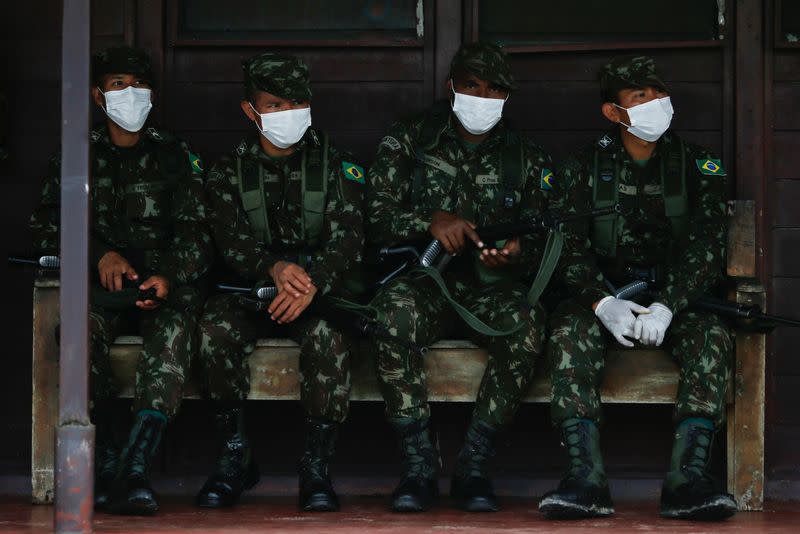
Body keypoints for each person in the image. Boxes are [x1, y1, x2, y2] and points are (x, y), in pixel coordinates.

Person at [540, 55, 736, 521]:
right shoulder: (583, 166)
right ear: (614, 111)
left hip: (676, 299)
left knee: (712, 336)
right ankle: (584, 478)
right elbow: (565, 247)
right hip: (602, 298)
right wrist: (601, 301)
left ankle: (687, 479)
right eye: (639, 96)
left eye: (659, 92)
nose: (655, 103)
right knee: (568, 335)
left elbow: (708, 245)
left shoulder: (695, 165)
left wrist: (669, 304)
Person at [366, 42, 555, 513]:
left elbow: (547, 237)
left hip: (488, 293)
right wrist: (430, 221)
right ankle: (418, 466)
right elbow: (373, 215)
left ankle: (475, 464)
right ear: (451, 85)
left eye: (494, 89)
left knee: (527, 324)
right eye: (472, 85)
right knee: (392, 314)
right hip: (425, 285)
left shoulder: (525, 156)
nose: (482, 96)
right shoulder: (410, 137)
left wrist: (514, 254)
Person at [29, 46, 211, 515]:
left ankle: (135, 470)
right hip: (100, 293)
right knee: (76, 335)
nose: (128, 94)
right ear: (97, 95)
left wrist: (167, 276)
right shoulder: (77, 157)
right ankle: (106, 464)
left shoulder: (176, 155)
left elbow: (199, 234)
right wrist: (97, 255)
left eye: (137, 85)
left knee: (173, 338)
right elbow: (47, 226)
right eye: (116, 85)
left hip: (160, 291)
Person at [196, 52, 366, 512]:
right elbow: (228, 240)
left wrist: (311, 283)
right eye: (273, 104)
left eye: (295, 102)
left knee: (331, 339)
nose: (286, 113)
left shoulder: (337, 164)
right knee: (213, 330)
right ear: (250, 111)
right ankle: (234, 457)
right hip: (252, 291)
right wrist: (271, 269)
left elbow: (350, 237)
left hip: (315, 294)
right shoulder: (228, 170)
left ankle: (316, 468)